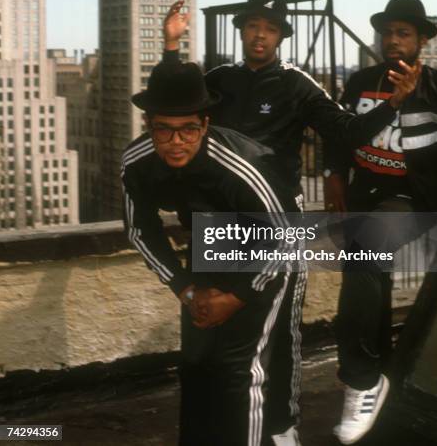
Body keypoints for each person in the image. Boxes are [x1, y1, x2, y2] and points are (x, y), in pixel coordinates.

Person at [161, 0, 423, 441]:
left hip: (277, 226)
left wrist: (393, 104)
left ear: (281, 36)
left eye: (270, 29)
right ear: (240, 30)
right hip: (220, 225)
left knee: (279, 338)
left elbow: (346, 132)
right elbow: (174, 103)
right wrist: (170, 48)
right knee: (207, 338)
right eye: (252, 26)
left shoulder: (298, 84)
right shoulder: (220, 79)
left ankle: (283, 429)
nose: (259, 36)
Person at [121, 58, 305, 446]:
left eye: (188, 129)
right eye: (164, 130)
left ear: (205, 124)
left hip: (269, 242)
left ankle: (274, 432)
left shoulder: (244, 166)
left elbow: (286, 238)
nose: (175, 143)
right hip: (211, 237)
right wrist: (186, 289)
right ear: (148, 125)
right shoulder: (137, 164)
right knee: (198, 362)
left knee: (241, 370)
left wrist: (237, 297)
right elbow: (141, 230)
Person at [322, 0, 437, 444]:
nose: (392, 41)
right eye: (387, 32)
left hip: (409, 200)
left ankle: (360, 380)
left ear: (422, 41)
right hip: (363, 196)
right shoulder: (360, 82)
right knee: (369, 274)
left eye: (404, 33)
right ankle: (380, 369)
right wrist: (334, 176)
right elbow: (338, 134)